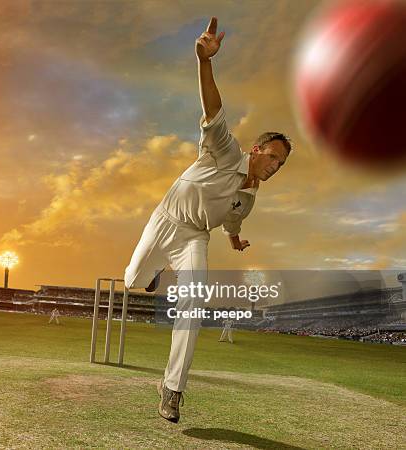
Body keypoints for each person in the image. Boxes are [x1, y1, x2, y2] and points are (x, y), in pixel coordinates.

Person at [123, 17, 291, 423]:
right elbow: (213, 109)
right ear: (256, 149)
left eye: (281, 164)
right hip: (165, 220)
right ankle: (151, 274)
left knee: (195, 303)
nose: (274, 166)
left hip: (194, 238)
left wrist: (234, 241)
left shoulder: (250, 197)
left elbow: (233, 222)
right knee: (131, 282)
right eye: (272, 156)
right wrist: (204, 61)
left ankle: (172, 390)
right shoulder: (225, 151)